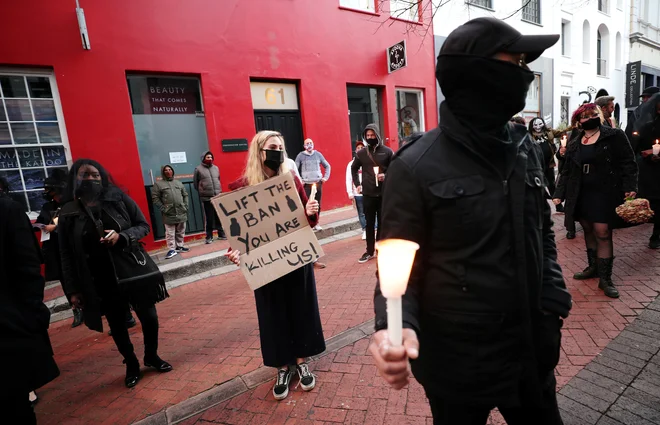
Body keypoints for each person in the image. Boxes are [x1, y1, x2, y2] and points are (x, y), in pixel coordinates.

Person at [369, 18, 572, 424]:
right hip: (457, 365)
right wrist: (395, 327)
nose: (525, 73)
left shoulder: (525, 147)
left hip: (531, 353)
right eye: (515, 61)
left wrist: (552, 295)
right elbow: (397, 265)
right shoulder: (415, 166)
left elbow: (543, 232)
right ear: (478, 73)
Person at [226, 130, 325, 401]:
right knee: (273, 314)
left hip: (295, 257)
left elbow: (307, 219)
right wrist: (236, 252)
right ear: (259, 152)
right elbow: (238, 233)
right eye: (273, 146)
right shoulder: (242, 187)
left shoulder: (291, 179)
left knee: (301, 308)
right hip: (265, 264)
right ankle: (282, 366)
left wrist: (311, 212)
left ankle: (302, 361)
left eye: (281, 146)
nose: (278, 151)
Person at [58, 159, 172, 388]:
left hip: (131, 270)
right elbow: (66, 255)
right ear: (75, 179)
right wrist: (72, 289)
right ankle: (130, 363)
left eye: (95, 174)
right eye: (84, 175)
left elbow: (143, 225)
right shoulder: (68, 213)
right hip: (99, 277)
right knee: (118, 325)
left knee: (149, 317)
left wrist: (122, 237)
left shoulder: (118, 199)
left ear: (102, 177)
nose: (90, 179)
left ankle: (151, 355)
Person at [554, 104, 638, 298]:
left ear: (599, 116)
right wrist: (559, 192)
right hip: (581, 192)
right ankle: (593, 267)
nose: (589, 117)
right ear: (578, 120)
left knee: (602, 231)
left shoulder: (614, 135)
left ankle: (605, 278)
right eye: (585, 116)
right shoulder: (576, 139)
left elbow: (628, 162)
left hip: (605, 191)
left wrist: (630, 187)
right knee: (588, 228)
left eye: (593, 114)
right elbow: (567, 170)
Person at [0, 189, 60, 425]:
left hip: (8, 332)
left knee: (15, 407)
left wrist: (32, 319)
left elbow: (28, 270)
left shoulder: (7, 210)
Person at [36, 169, 87, 328]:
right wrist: (42, 226)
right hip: (55, 250)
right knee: (66, 281)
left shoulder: (71, 204)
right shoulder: (46, 206)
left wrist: (56, 228)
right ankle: (77, 311)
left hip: (73, 248)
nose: (48, 194)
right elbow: (39, 220)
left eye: (50, 190)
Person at [351, 124, 393, 264]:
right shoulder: (362, 153)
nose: (370, 138)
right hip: (368, 194)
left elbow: (395, 169)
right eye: (367, 136)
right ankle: (369, 251)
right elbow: (354, 168)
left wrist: (385, 176)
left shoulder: (387, 152)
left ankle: (380, 250)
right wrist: (357, 185)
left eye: (372, 135)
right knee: (369, 224)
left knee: (382, 223)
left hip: (383, 193)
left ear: (377, 135)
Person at [633, 95, 660, 249]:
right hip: (651, 171)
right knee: (653, 200)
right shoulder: (647, 126)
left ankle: (656, 233)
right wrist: (647, 154)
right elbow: (638, 148)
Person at [152, 164, 190, 259]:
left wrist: (185, 206)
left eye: (170, 169)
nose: (168, 171)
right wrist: (163, 208)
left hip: (181, 211)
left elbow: (185, 195)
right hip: (169, 213)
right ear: (163, 172)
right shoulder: (158, 184)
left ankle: (180, 246)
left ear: (172, 171)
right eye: (166, 170)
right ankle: (172, 249)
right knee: (170, 232)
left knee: (181, 230)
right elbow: (155, 198)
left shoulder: (178, 183)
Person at [295, 138, 331, 231]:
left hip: (318, 183)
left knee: (317, 203)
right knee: (307, 204)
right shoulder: (300, 156)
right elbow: (295, 169)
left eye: (311, 143)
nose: (309, 145)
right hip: (306, 184)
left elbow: (327, 166)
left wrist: (325, 177)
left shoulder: (318, 154)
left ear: (313, 144)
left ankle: (316, 222)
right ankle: (308, 223)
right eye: (307, 143)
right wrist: (300, 180)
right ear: (304, 146)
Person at [528, 117, 562, 208]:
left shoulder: (548, 132)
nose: (538, 127)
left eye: (540, 124)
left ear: (543, 124)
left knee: (551, 185)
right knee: (539, 185)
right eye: (535, 125)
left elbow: (561, 132)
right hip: (536, 165)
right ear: (532, 125)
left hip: (549, 163)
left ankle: (558, 205)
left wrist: (573, 126)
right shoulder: (529, 135)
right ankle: (541, 206)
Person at [194, 151, 226, 243]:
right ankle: (209, 236)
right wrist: (203, 191)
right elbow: (196, 184)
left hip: (217, 195)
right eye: (208, 157)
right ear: (203, 158)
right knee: (209, 217)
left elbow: (218, 179)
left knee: (218, 216)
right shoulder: (198, 169)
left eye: (211, 157)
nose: (210, 159)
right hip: (207, 197)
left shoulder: (216, 168)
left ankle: (221, 233)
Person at [347, 141, 367, 239]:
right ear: (355, 150)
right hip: (357, 193)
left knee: (372, 212)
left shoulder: (368, 162)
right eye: (358, 148)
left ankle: (374, 229)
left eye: (362, 147)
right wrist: (350, 193)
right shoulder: (351, 164)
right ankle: (365, 230)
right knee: (361, 212)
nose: (360, 149)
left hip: (369, 192)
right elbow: (348, 179)